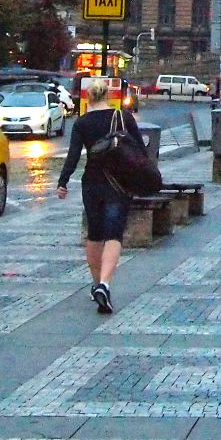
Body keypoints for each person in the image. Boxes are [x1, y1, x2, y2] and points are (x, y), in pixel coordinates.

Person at [56, 81, 142, 314]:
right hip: (118, 183)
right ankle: (105, 283)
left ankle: (96, 285)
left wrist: (63, 182)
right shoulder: (123, 117)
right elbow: (141, 152)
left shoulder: (82, 123)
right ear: (109, 95)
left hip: (92, 183)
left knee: (94, 234)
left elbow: (73, 156)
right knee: (114, 234)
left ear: (88, 97)